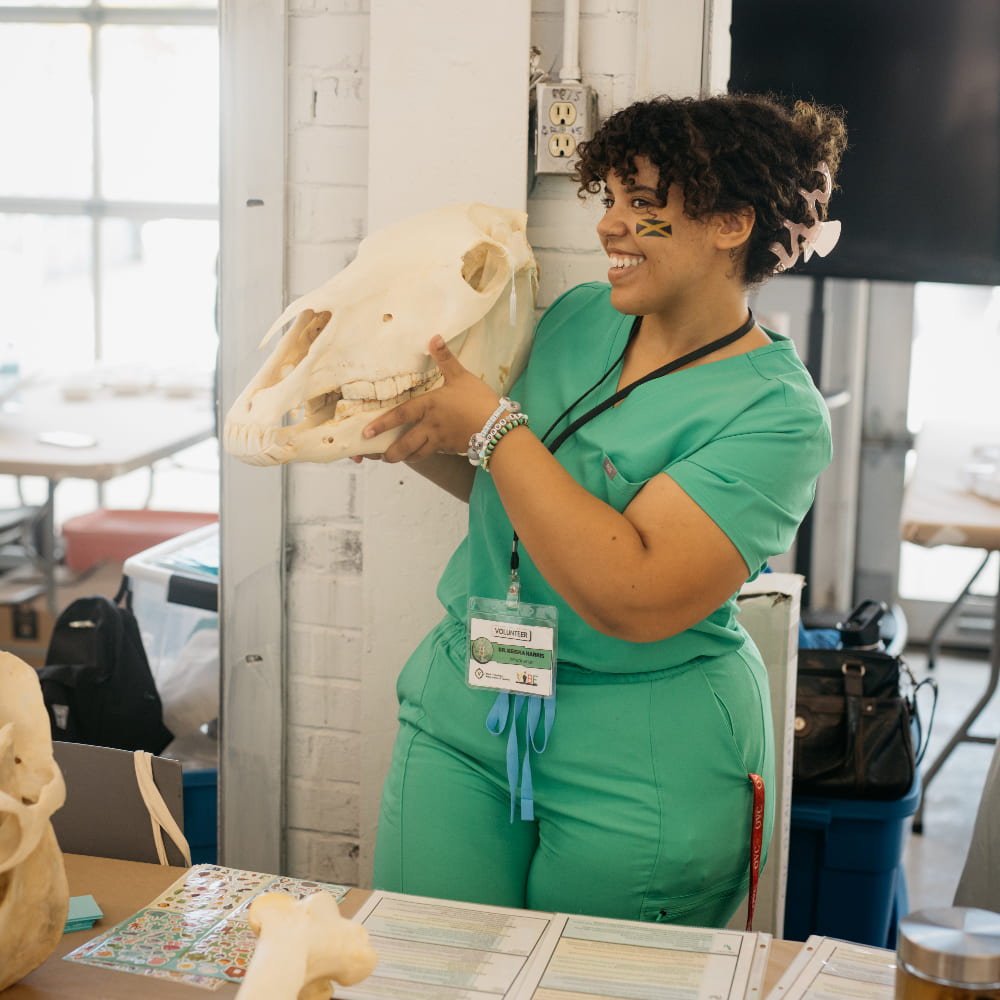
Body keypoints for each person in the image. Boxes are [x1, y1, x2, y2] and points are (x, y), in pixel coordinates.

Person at [359, 92, 847, 927]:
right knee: (423, 967)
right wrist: (432, 433)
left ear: (731, 224)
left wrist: (492, 426)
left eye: (643, 206)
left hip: (644, 746)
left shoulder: (778, 416)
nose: (609, 227)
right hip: (476, 701)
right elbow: (518, 496)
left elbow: (634, 589)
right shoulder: (583, 317)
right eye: (610, 200)